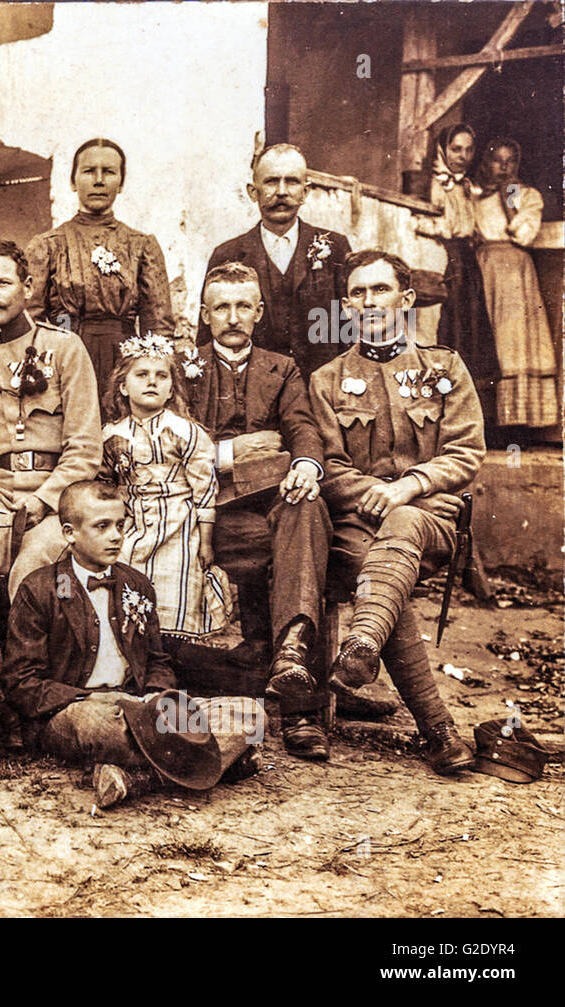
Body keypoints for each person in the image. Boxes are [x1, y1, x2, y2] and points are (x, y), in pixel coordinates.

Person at [309, 250, 484, 776]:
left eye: (380, 290)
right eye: (358, 293)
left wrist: (409, 486)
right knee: (380, 575)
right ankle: (439, 731)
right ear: (347, 306)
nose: (370, 302)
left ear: (405, 299)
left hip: (430, 519)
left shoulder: (444, 368)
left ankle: (362, 646)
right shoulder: (328, 380)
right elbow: (330, 466)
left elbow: (467, 452)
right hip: (359, 524)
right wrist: (370, 492)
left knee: (403, 524)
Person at [3, 481, 265, 808]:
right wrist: (90, 698)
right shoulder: (39, 589)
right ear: (70, 533)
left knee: (251, 715)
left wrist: (156, 692)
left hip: (138, 706)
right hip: (76, 711)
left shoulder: (137, 585)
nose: (116, 536)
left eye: (120, 525)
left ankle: (135, 778)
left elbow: (157, 660)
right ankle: (208, 761)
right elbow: (21, 683)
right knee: (97, 727)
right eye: (102, 526)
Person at [180, 261, 351, 759]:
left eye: (242, 307)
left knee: (305, 508)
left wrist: (304, 465)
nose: (232, 317)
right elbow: (168, 441)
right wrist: (233, 453)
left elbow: (302, 427)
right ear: (206, 315)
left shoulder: (283, 368)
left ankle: (295, 674)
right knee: (299, 545)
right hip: (202, 514)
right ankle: (290, 679)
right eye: (221, 308)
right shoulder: (179, 368)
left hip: (267, 509)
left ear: (258, 312)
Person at [0, 239, 102, 658]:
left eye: (3, 282)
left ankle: (29, 678)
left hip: (58, 492)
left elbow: (86, 449)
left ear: (28, 287)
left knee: (29, 569)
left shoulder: (66, 349)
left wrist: (44, 499)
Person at [99, 334, 232, 641]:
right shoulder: (111, 434)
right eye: (141, 375)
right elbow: (105, 482)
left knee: (179, 572)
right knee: (126, 567)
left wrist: (205, 541)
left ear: (172, 388)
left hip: (178, 521)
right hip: (132, 519)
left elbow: (204, 489)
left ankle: (173, 641)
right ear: (123, 386)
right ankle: (130, 643)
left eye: (161, 376)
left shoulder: (185, 431)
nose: (152, 383)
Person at [26, 138, 173, 410]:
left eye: (108, 172)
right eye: (88, 171)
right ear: (72, 182)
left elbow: (158, 326)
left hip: (125, 365)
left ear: (121, 182)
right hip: (65, 358)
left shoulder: (141, 245)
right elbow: (30, 319)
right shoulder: (47, 245)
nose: (98, 180)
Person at [201, 143, 352, 383]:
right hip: (253, 391)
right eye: (271, 181)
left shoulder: (335, 248)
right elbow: (207, 339)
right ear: (253, 191)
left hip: (322, 388)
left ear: (305, 191)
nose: (281, 192)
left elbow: (350, 326)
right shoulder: (227, 254)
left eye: (292, 181)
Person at [471, 137, 559, 439]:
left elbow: (524, 234)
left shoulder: (527, 196)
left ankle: (517, 428)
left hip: (513, 269)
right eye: (498, 159)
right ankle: (489, 422)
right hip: (482, 268)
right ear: (487, 162)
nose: (504, 167)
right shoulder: (473, 195)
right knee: (486, 339)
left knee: (515, 340)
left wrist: (509, 200)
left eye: (511, 161)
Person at [414, 125, 496, 426]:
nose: (462, 156)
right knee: (448, 330)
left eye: (468, 150)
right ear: (443, 149)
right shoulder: (434, 182)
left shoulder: (466, 186)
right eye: (456, 149)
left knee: (473, 331)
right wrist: (442, 230)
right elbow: (425, 221)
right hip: (445, 259)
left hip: (467, 262)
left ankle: (474, 418)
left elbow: (469, 225)